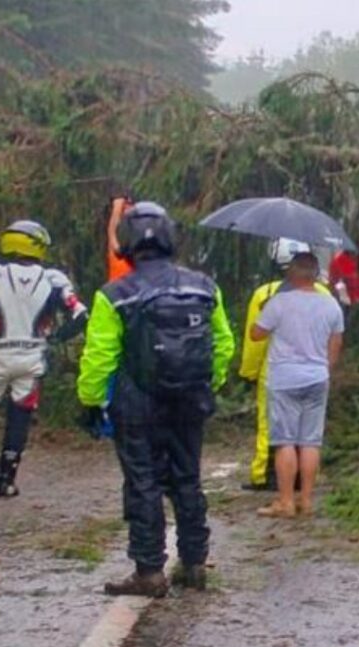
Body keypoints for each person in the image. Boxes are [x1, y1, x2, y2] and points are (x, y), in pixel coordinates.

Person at [78, 201, 234, 598]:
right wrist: (208, 384)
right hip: (190, 400)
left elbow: (99, 356)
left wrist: (92, 401)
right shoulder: (204, 287)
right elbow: (223, 343)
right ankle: (194, 562)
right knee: (187, 477)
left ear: (126, 244)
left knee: (142, 481)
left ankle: (148, 570)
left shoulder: (114, 294)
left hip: (137, 403)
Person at [0, 220, 86, 499]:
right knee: (20, 417)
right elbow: (81, 314)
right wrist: (56, 338)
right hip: (32, 357)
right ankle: (6, 482)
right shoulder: (53, 279)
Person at [251, 252, 345, 519]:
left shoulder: (279, 302)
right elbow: (336, 342)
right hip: (317, 377)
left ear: (292, 273)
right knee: (310, 441)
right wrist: (326, 369)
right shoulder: (331, 305)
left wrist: (265, 309)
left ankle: (285, 502)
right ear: (315, 275)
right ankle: (306, 500)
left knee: (285, 441)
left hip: (284, 379)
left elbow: (256, 334)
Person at [239, 238, 331, 492]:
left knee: (273, 428)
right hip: (315, 371)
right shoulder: (324, 295)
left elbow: (255, 340)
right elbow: (333, 336)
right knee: (309, 434)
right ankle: (305, 483)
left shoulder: (266, 295)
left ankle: (266, 475)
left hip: (277, 371)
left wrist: (249, 371)